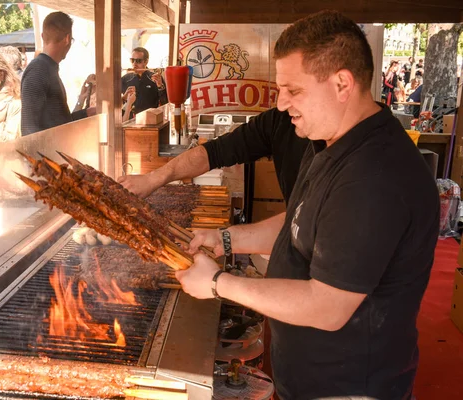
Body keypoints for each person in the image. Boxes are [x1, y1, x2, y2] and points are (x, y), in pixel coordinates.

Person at [123, 10, 440, 399]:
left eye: (293, 90)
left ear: (343, 83)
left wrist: (219, 284)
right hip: (308, 376)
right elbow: (298, 223)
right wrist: (221, 239)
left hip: (351, 387)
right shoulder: (328, 141)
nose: (281, 103)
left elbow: (327, 306)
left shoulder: (375, 176)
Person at [21, 12, 95, 136]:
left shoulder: (46, 68)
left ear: (43, 36)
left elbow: (59, 123)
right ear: (67, 39)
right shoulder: (38, 71)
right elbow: (29, 129)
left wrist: (87, 113)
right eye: (72, 40)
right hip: (46, 154)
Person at [121, 47, 167, 118]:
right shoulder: (125, 79)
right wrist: (124, 98)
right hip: (128, 121)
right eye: (132, 60)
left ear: (146, 61)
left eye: (138, 61)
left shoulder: (155, 78)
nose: (134, 64)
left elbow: (165, 103)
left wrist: (160, 86)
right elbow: (114, 103)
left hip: (149, 121)